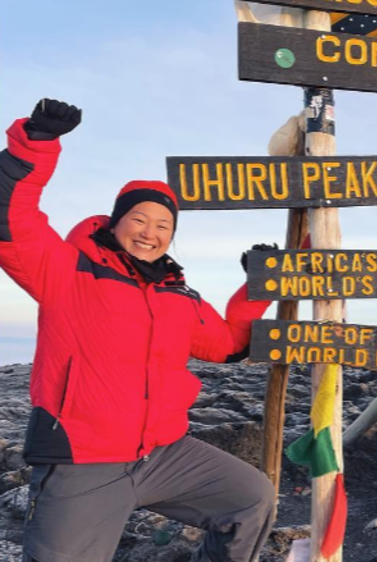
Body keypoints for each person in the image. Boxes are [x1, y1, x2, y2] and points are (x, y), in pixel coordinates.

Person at [0, 99, 276, 562]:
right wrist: (37, 142)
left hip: (164, 454)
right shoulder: (68, 269)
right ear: (117, 222)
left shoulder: (177, 295)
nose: (150, 232)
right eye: (139, 219)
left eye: (163, 225)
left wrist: (254, 288)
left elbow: (229, 346)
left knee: (250, 499)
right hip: (82, 460)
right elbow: (10, 218)